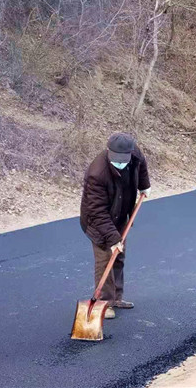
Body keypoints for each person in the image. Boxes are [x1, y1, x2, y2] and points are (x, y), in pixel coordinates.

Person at [80, 133, 151, 319]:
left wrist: (145, 185)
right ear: (108, 152)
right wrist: (113, 239)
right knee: (106, 260)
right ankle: (104, 303)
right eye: (116, 161)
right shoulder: (97, 173)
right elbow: (97, 212)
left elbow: (142, 166)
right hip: (98, 222)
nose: (119, 163)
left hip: (121, 216)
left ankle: (116, 298)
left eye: (123, 160)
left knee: (118, 256)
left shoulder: (134, 154)